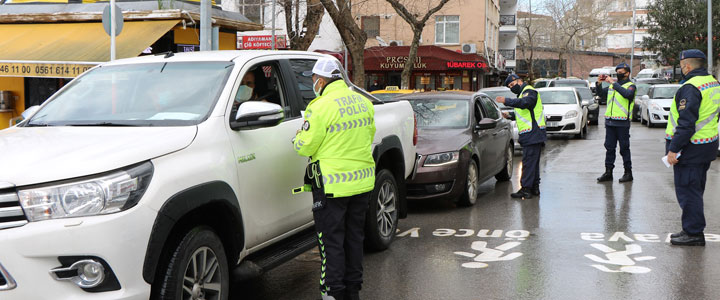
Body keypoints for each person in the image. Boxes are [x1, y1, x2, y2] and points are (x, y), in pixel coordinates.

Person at [292, 57, 376, 300]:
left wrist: (297, 137)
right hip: (361, 184)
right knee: (353, 239)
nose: (314, 84)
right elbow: (368, 136)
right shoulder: (363, 102)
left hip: (332, 187)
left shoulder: (319, 107)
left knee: (331, 244)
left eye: (314, 79)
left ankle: (333, 292)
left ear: (321, 79)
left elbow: (305, 146)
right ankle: (352, 291)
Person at [665, 49, 720, 246]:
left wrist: (673, 149)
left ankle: (693, 232)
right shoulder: (713, 83)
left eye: (681, 66)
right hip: (707, 145)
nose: (681, 69)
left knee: (688, 191)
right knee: (695, 189)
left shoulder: (690, 87)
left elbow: (686, 123)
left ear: (686, 66)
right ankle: (692, 229)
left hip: (691, 148)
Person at [496, 74, 547, 199]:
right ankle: (534, 188)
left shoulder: (529, 91)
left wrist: (506, 101)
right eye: (509, 87)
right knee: (533, 163)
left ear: (519, 81)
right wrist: (510, 115)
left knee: (528, 163)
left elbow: (526, 103)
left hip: (532, 133)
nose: (512, 88)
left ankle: (526, 189)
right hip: (532, 133)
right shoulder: (522, 94)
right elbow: (524, 112)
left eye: (512, 85)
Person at [595, 63, 636, 183]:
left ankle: (628, 173)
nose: (618, 73)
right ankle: (608, 172)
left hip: (622, 122)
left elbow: (627, 95)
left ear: (627, 73)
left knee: (624, 148)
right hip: (610, 122)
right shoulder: (613, 86)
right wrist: (599, 83)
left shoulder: (631, 86)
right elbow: (601, 94)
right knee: (609, 148)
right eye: (617, 71)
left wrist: (613, 82)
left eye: (621, 71)